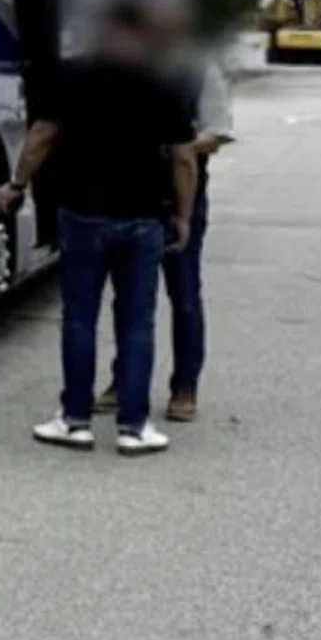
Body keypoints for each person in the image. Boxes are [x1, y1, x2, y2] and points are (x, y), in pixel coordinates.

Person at [0, 0, 198, 455]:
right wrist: (183, 217)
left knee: (79, 318)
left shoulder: (73, 74)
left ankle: (75, 420)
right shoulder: (164, 79)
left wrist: (17, 184)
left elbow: (41, 136)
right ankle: (134, 427)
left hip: (83, 214)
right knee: (137, 323)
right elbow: (184, 158)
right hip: (144, 217)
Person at [97, 34, 234, 424]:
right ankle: (123, 379)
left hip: (182, 193)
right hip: (133, 192)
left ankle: (185, 385)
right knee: (129, 295)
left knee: (184, 293)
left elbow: (217, 133)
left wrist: (175, 144)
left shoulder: (199, 68)